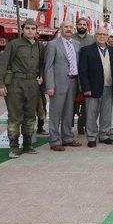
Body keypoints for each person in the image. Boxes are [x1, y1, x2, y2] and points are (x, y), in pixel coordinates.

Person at [0, 19, 44, 158]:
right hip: (16, 83)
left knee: (30, 116)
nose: (30, 31)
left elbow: (43, 65)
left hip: (32, 84)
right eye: (27, 28)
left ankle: (27, 145)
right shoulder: (14, 44)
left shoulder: (39, 46)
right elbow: (2, 64)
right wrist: (0, 84)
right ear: (22, 30)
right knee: (15, 116)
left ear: (36, 31)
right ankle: (14, 147)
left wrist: (42, 76)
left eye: (33, 28)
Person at [78, 26, 113, 147]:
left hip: (109, 87)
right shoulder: (86, 50)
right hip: (93, 88)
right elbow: (83, 71)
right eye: (99, 34)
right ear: (95, 36)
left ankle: (104, 135)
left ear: (107, 37)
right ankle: (91, 137)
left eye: (104, 34)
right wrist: (86, 88)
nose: (102, 36)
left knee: (106, 113)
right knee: (92, 113)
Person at [43, 20, 83, 151]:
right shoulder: (53, 44)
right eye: (66, 27)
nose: (69, 29)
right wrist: (49, 85)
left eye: (71, 27)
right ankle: (54, 141)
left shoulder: (77, 44)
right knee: (56, 113)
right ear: (61, 29)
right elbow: (48, 67)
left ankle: (67, 138)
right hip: (58, 83)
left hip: (73, 82)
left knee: (69, 112)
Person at [71, 17, 94, 136]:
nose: (82, 26)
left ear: (87, 26)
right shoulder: (70, 38)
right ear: (76, 25)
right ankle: (69, 127)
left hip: (87, 75)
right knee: (71, 102)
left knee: (87, 103)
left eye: (84, 24)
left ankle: (83, 123)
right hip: (72, 75)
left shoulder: (91, 39)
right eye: (80, 24)